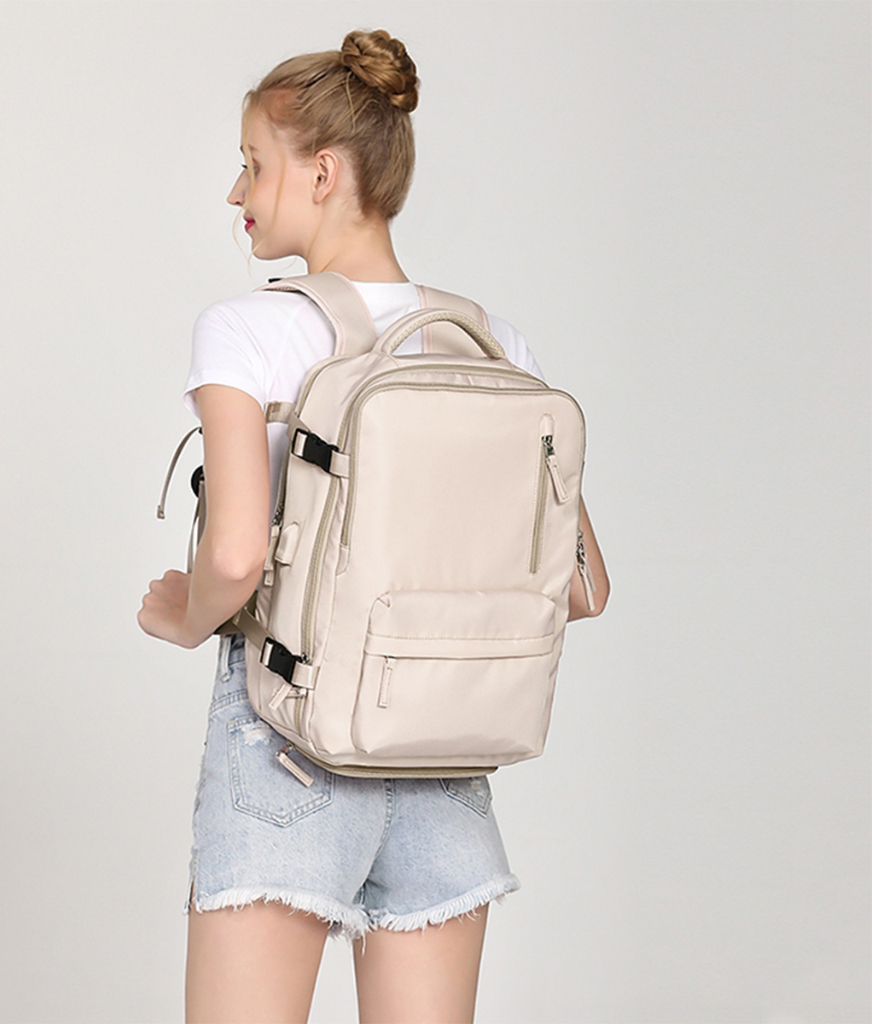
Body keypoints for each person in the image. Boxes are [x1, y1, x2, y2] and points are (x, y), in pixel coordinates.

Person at [138, 28, 610, 1024]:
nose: (236, 192)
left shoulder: (247, 329)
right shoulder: (491, 345)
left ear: (322, 173)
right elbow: (579, 588)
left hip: (285, 743)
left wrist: (182, 615)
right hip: (445, 757)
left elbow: (236, 553)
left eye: (253, 164)